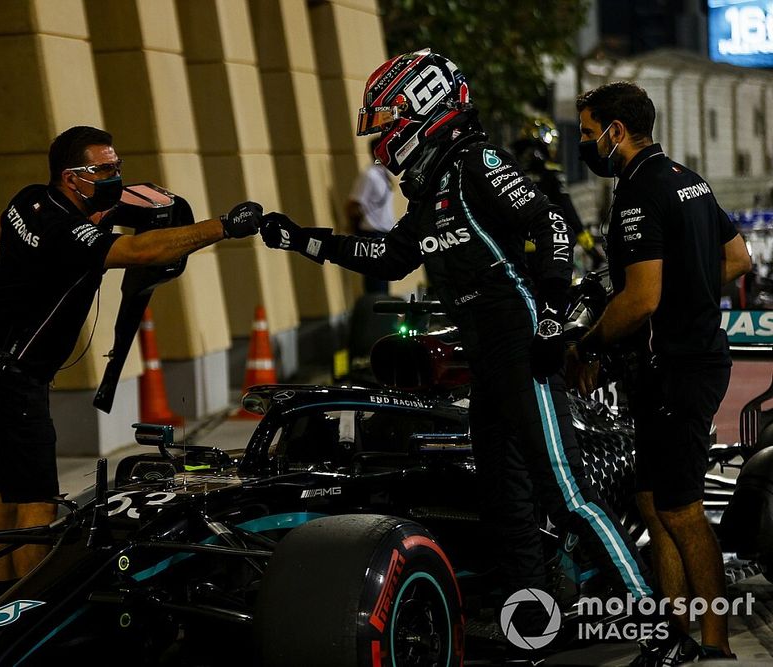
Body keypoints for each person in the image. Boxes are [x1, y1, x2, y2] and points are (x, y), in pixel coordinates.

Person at [259, 49, 652, 663]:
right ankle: (535, 626)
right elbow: (387, 259)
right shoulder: (436, 186)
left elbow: (548, 224)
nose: (383, 140)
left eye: (388, 122)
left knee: (568, 497)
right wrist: (298, 238)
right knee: (506, 502)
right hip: (490, 363)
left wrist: (550, 314)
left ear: (424, 109)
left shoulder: (476, 162)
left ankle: (648, 622)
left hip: (524, 351)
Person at [0, 126, 262, 580]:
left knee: (5, 492)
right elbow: (139, 250)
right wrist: (223, 227)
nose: (115, 176)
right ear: (71, 177)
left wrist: (91, 218)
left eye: (117, 167)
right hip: (13, 377)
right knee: (36, 500)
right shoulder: (66, 232)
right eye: (104, 169)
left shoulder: (29, 200)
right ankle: (25, 615)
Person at [570, 82, 753, 664]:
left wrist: (588, 344)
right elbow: (738, 258)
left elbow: (639, 298)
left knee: (681, 508)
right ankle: (673, 634)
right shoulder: (685, 176)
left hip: (677, 370)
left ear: (614, 131)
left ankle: (716, 643)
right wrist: (691, 295)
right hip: (685, 362)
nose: (583, 141)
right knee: (652, 501)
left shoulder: (639, 192)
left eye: (585, 130)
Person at [511, 116, 604, 274]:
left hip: (512, 251)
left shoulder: (509, 171)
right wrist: (590, 249)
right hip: (543, 250)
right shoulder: (551, 173)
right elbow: (568, 211)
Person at [345, 137, 397, 293]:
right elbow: (353, 204)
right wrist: (353, 227)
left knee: (384, 278)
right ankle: (376, 316)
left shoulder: (383, 173)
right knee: (376, 283)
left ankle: (384, 315)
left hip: (384, 234)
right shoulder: (369, 175)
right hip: (372, 234)